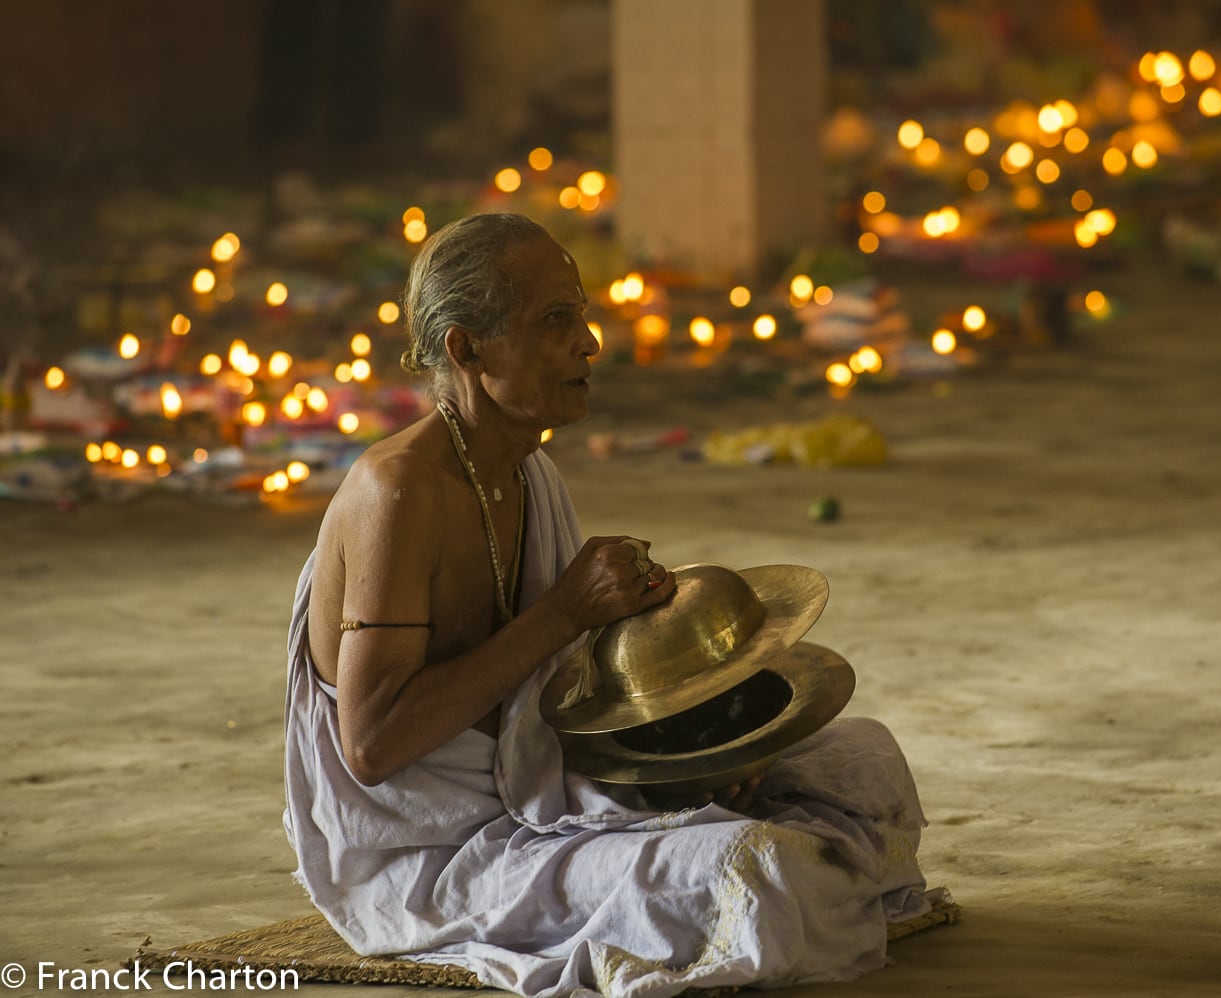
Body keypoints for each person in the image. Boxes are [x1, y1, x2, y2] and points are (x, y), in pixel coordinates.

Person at [283, 212, 932, 996]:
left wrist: (693, 768)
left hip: (543, 801)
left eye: (582, 317)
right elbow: (372, 745)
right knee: (755, 873)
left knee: (865, 761)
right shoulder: (397, 492)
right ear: (466, 346)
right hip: (437, 854)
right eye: (556, 320)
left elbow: (562, 708)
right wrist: (561, 614)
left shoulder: (530, 473)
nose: (589, 345)